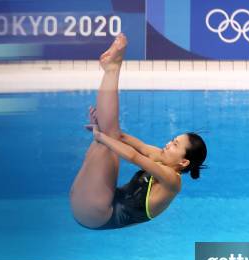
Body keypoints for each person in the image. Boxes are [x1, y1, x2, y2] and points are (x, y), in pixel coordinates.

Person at [70, 33, 207, 230]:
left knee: (108, 138)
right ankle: (112, 69)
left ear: (183, 162)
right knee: (111, 134)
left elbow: (134, 156)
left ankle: (112, 69)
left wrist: (102, 137)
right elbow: (136, 145)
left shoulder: (171, 181)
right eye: (172, 139)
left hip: (98, 215)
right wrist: (103, 131)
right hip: (98, 203)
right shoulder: (162, 157)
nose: (169, 143)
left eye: (175, 144)